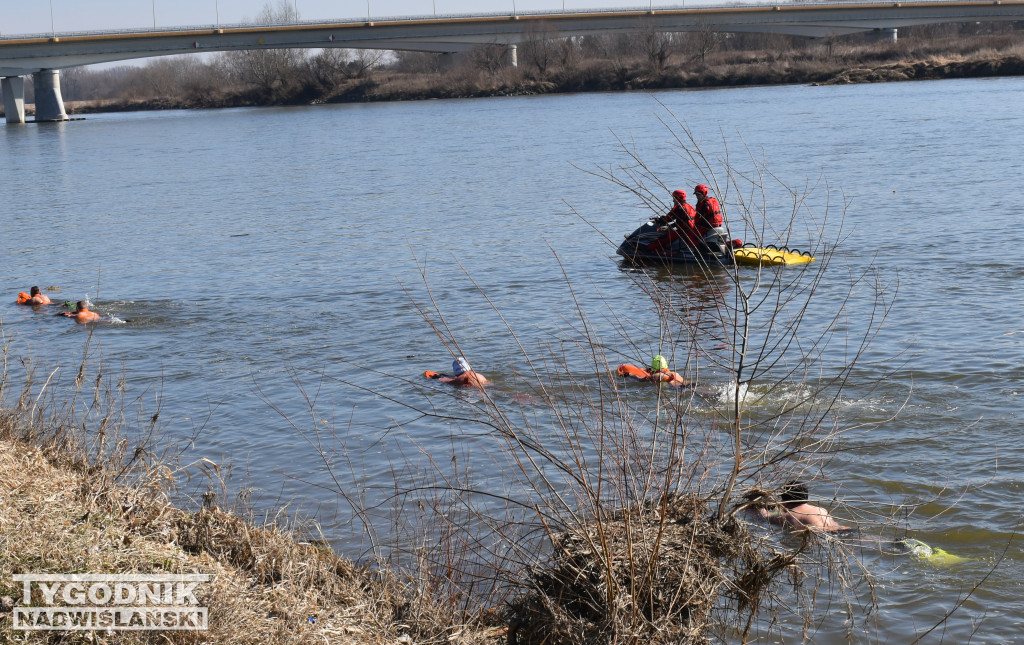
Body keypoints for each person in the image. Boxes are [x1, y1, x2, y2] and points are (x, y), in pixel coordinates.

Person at [753, 481, 849, 533]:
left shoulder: (788, 516)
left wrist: (759, 505)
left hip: (822, 535)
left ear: (785, 500)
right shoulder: (821, 510)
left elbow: (765, 516)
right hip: (843, 530)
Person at [648, 189, 700, 254]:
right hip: (690, 230)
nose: (673, 200)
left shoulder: (679, 208)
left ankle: (654, 251)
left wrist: (659, 220)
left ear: (677, 198)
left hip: (682, 232)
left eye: (674, 198)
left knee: (662, 238)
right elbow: (683, 219)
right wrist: (671, 225)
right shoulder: (689, 206)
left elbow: (668, 219)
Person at [617, 355, 689, 387]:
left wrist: (630, 375)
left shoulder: (658, 375)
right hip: (686, 385)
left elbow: (640, 380)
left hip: (679, 389)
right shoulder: (675, 373)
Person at [693, 184, 727, 250]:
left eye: (698, 194)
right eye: (696, 195)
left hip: (707, 227)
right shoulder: (712, 201)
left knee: (691, 235)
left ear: (704, 193)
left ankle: (697, 251)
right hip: (717, 226)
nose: (697, 196)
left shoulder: (705, 204)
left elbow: (699, 218)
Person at [424, 357, 488, 388]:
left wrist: (435, 378)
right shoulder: (480, 376)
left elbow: (447, 380)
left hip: (470, 391)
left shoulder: (459, 379)